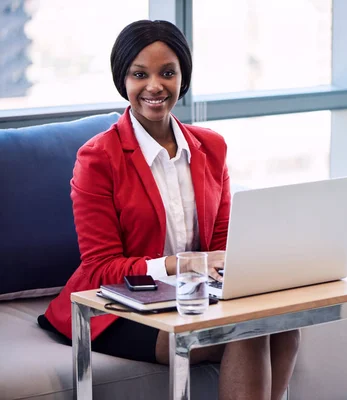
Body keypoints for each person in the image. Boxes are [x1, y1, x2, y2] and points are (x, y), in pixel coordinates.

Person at [38, 19, 300, 400]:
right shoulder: (97, 158)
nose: (154, 85)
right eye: (139, 74)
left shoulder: (211, 148)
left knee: (285, 328)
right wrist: (186, 263)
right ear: (122, 80)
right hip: (119, 305)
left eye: (168, 72)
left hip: (193, 296)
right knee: (245, 333)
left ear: (183, 77)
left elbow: (224, 244)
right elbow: (100, 268)